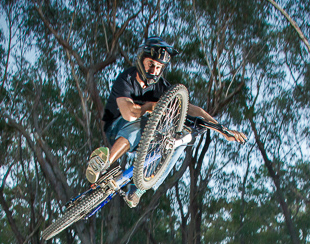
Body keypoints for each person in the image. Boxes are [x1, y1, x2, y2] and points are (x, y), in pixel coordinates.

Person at [86, 36, 246, 208]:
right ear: (141, 60)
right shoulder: (127, 79)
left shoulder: (161, 87)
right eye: (151, 64)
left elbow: (191, 109)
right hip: (117, 127)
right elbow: (129, 112)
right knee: (141, 122)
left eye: (158, 67)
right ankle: (104, 161)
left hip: (143, 135)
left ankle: (139, 187)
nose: (154, 70)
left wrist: (223, 129)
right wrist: (149, 106)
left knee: (178, 141)